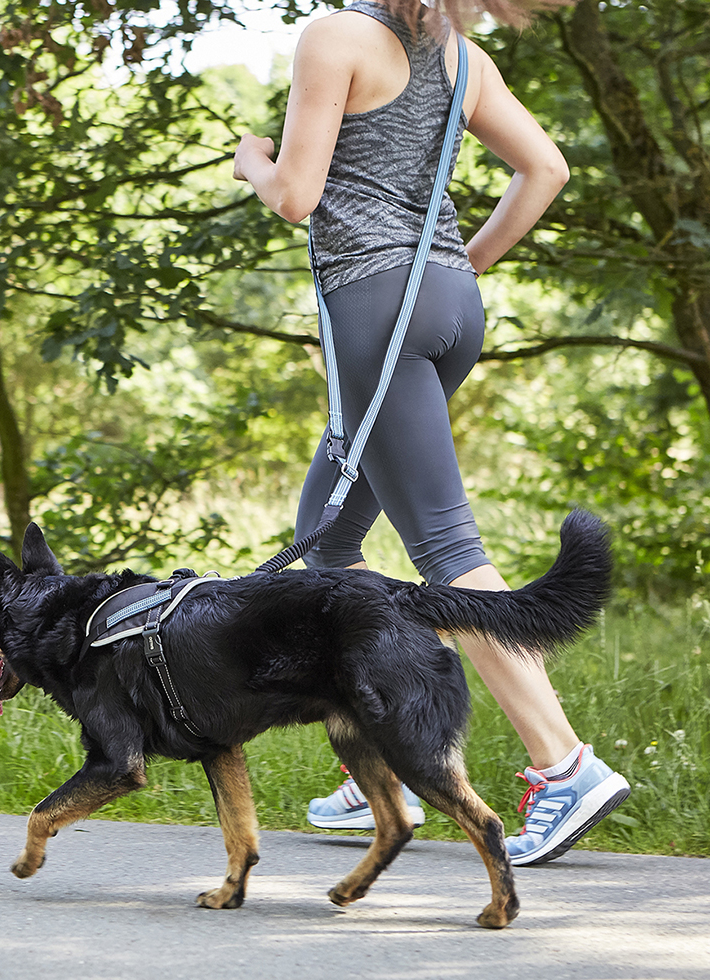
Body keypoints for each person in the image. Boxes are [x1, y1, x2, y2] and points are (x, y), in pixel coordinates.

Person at [232, 0, 629, 865]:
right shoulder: (462, 58)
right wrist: (461, 266)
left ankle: (564, 765)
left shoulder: (335, 36)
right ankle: (392, 763)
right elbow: (546, 170)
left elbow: (297, 197)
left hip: (376, 308)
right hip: (446, 305)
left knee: (448, 550)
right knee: (329, 544)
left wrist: (254, 160)